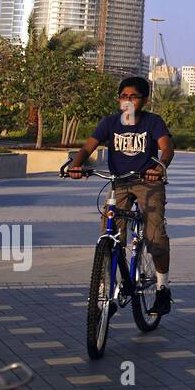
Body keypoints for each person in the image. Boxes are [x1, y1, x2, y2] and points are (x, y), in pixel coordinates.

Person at [67, 75, 175, 315]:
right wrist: (76, 165)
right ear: (118, 100)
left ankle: (162, 290)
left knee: (155, 236)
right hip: (119, 183)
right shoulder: (110, 122)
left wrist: (159, 167)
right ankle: (108, 291)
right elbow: (87, 147)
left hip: (147, 182)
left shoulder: (152, 122)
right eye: (123, 96)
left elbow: (167, 147)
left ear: (144, 101)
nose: (128, 101)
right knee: (111, 233)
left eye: (133, 97)